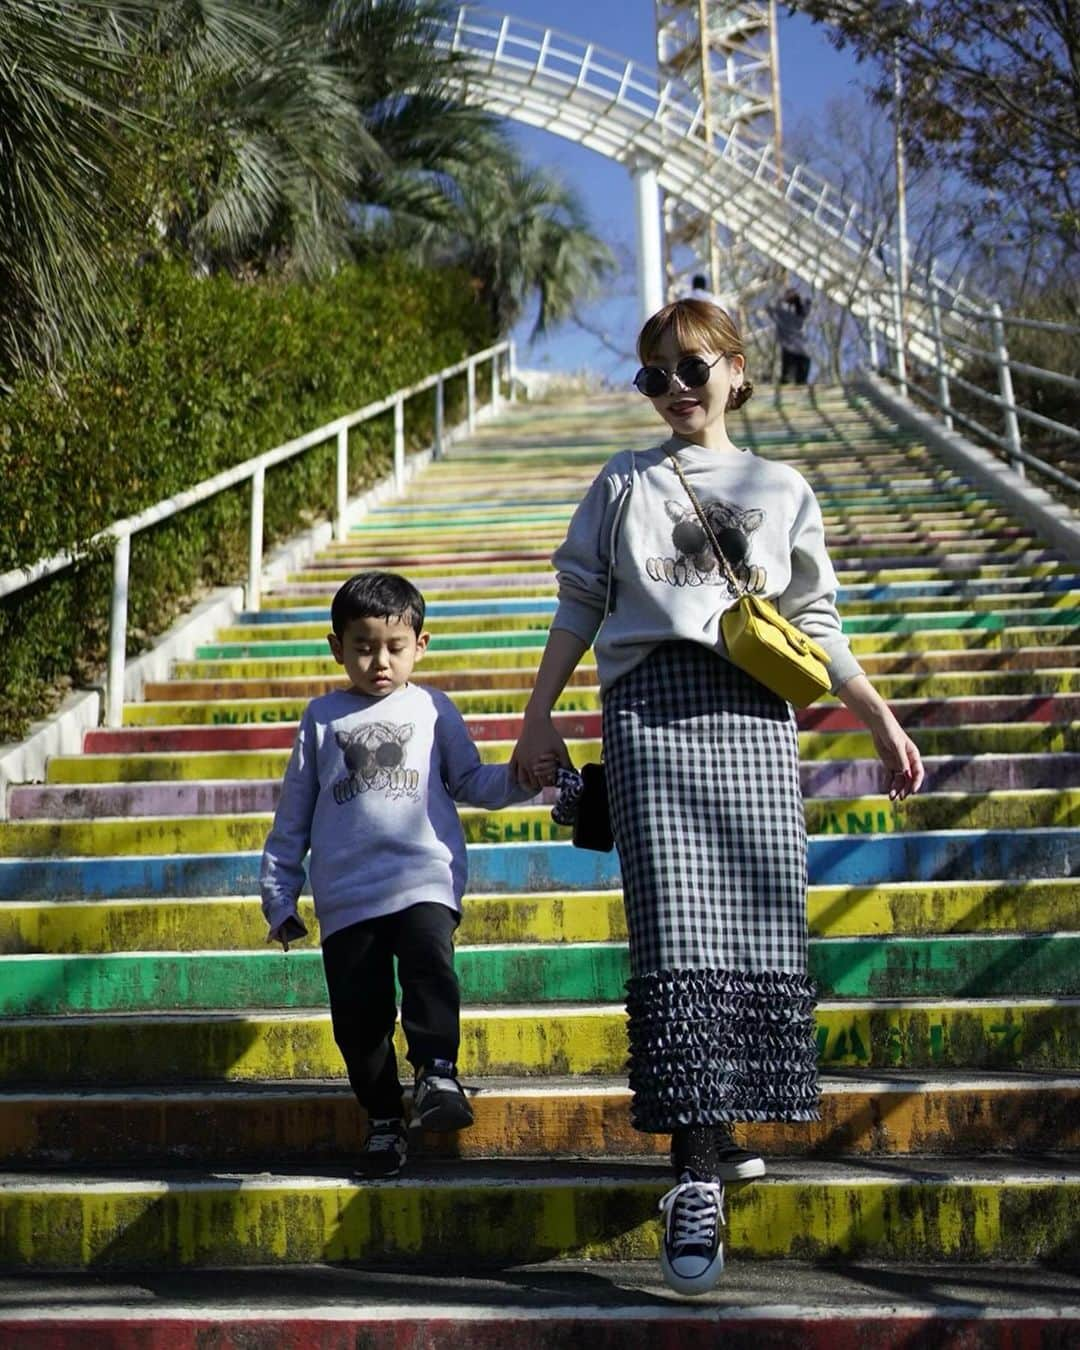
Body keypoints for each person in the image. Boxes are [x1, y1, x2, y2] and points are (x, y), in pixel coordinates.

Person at [510, 298, 923, 1294]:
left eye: (692, 369)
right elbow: (579, 599)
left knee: (752, 927)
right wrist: (537, 715)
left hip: (752, 716)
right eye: (653, 374)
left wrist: (877, 716)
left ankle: (720, 1122)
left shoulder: (780, 486)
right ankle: (694, 1173)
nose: (673, 391)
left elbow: (815, 620)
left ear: (737, 370)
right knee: (675, 932)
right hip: (650, 711)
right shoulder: (622, 482)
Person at [260, 570, 532, 1178]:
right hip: (346, 895)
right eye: (361, 646)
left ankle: (437, 1071)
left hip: (422, 877)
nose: (378, 661)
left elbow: (470, 780)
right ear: (336, 648)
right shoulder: (322, 718)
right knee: (359, 1019)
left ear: (421, 644)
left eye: (394, 647)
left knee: (431, 967)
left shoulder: (433, 708)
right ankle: (383, 1117)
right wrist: (280, 895)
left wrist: (519, 777)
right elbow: (293, 814)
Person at [767, 287, 813, 385]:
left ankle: (793, 387)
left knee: (796, 381)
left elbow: (769, 308)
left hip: (799, 351)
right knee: (789, 380)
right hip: (796, 350)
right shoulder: (784, 314)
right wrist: (785, 298)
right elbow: (769, 308)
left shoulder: (796, 315)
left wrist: (785, 298)